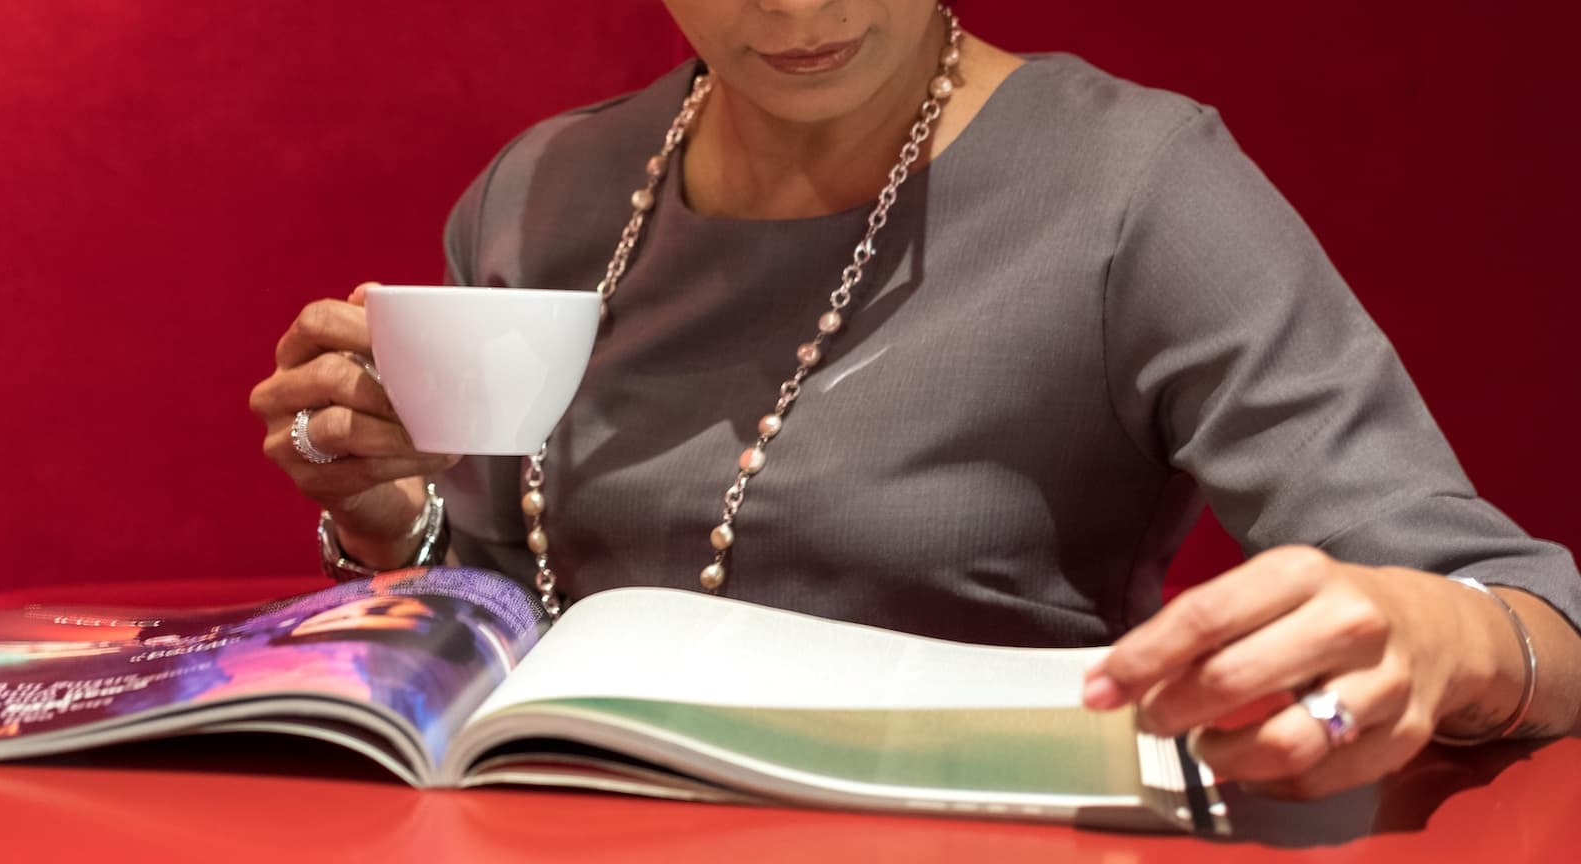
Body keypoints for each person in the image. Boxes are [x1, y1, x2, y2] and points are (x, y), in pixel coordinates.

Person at [247, 1, 1581, 800]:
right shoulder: (543, 190)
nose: (791, 7)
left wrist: (1442, 633)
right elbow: (512, 594)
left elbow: (1540, 621)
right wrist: (395, 523)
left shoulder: (1135, 188)